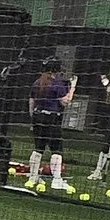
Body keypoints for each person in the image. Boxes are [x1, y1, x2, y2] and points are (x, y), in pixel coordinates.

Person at [26, 59, 75, 192]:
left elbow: (31, 102)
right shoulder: (57, 83)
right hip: (51, 119)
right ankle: (56, 180)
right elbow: (65, 102)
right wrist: (73, 88)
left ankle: (32, 178)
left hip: (38, 118)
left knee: (38, 148)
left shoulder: (37, 82)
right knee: (56, 150)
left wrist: (33, 119)